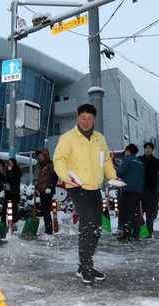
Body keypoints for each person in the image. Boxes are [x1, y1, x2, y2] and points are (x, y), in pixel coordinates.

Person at [53, 103, 117, 284]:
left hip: (95, 187)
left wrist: (113, 177)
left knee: (97, 227)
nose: (86, 122)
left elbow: (105, 162)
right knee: (87, 222)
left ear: (94, 119)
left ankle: (85, 265)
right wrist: (67, 177)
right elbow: (59, 160)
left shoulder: (99, 138)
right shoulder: (68, 138)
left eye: (90, 119)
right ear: (77, 118)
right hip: (76, 186)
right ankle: (86, 265)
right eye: (83, 118)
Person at [116, 144, 145, 241]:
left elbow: (119, 173)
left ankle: (126, 234)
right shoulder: (140, 162)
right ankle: (136, 233)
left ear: (128, 151)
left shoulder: (128, 159)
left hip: (128, 189)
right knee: (135, 212)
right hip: (139, 191)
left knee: (125, 213)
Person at [138, 142, 159, 237]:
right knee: (139, 210)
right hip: (140, 188)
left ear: (152, 150)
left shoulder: (156, 161)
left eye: (149, 148)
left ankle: (149, 230)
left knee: (149, 211)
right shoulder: (139, 159)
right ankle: (140, 229)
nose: (147, 149)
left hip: (150, 189)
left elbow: (154, 173)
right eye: (146, 148)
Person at [35, 148, 57, 234]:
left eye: (41, 155)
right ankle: (48, 229)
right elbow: (40, 179)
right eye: (39, 155)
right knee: (44, 211)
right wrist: (37, 187)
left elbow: (54, 176)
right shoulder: (40, 166)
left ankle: (49, 230)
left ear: (45, 155)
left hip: (48, 190)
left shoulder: (50, 164)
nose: (39, 157)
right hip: (42, 190)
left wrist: (50, 187)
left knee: (45, 210)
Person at [2, 158, 22, 225]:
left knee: (14, 207)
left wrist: (10, 171)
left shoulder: (17, 171)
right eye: (9, 163)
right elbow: (6, 179)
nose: (9, 164)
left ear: (14, 163)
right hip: (8, 191)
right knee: (4, 207)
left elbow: (12, 179)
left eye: (11, 163)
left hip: (14, 192)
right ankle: (3, 221)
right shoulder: (7, 170)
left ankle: (13, 222)